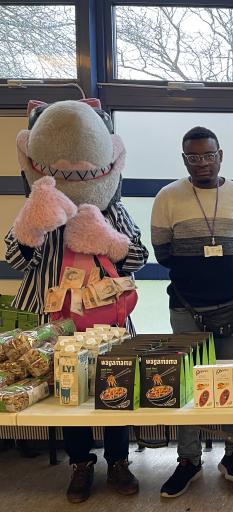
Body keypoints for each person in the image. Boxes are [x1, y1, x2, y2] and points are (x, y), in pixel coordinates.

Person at [6, 99, 147, 503]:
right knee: (68, 394)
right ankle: (80, 464)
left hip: (109, 323)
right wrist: (33, 228)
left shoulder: (113, 209)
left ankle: (119, 461)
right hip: (56, 323)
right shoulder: (39, 203)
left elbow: (138, 257)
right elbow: (16, 259)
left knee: (115, 388)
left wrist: (108, 239)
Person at [152, 126, 233, 498]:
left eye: (208, 155)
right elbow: (163, 253)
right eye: (193, 157)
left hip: (232, 307)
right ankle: (189, 460)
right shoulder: (167, 197)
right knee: (186, 385)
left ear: (220, 155)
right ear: (184, 160)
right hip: (186, 308)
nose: (201, 163)